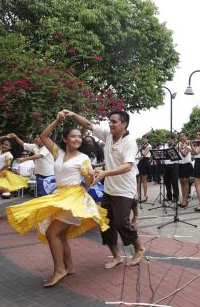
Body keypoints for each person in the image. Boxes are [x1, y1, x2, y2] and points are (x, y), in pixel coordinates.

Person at [6, 114, 109, 287]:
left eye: (79, 137)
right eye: (73, 136)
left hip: (74, 199)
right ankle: (68, 267)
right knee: (60, 235)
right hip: (61, 196)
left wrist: (91, 177)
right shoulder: (58, 153)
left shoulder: (83, 158)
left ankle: (59, 270)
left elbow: (88, 182)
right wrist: (57, 121)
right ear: (65, 139)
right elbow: (44, 136)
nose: (77, 139)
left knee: (52, 233)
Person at [61, 109, 146, 269]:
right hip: (109, 188)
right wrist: (72, 114)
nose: (110, 124)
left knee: (121, 223)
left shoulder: (129, 142)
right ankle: (116, 256)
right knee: (105, 223)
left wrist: (105, 172)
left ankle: (139, 248)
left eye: (114, 122)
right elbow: (88, 124)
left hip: (124, 189)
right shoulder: (107, 135)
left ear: (124, 124)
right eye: (110, 121)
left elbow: (127, 167)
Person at [161, 134, 179, 202]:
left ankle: (176, 197)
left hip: (174, 165)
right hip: (165, 166)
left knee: (174, 182)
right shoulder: (164, 146)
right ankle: (169, 196)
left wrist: (173, 145)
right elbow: (160, 152)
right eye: (168, 139)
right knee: (167, 182)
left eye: (170, 139)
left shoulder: (176, 146)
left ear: (173, 140)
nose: (168, 141)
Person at [177, 132, 193, 208]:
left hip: (186, 164)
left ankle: (185, 200)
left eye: (183, 136)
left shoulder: (188, 145)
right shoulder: (179, 144)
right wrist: (179, 146)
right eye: (180, 136)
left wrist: (179, 148)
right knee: (181, 181)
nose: (181, 137)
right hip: (180, 164)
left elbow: (184, 154)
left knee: (185, 182)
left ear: (186, 137)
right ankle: (182, 199)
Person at [137, 135, 152, 202]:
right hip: (140, 162)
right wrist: (138, 149)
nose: (144, 140)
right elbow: (137, 153)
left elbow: (144, 154)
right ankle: (138, 195)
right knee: (138, 179)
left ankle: (145, 196)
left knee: (144, 179)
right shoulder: (141, 145)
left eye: (145, 139)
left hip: (145, 161)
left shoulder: (149, 146)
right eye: (143, 139)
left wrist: (140, 149)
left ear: (148, 140)